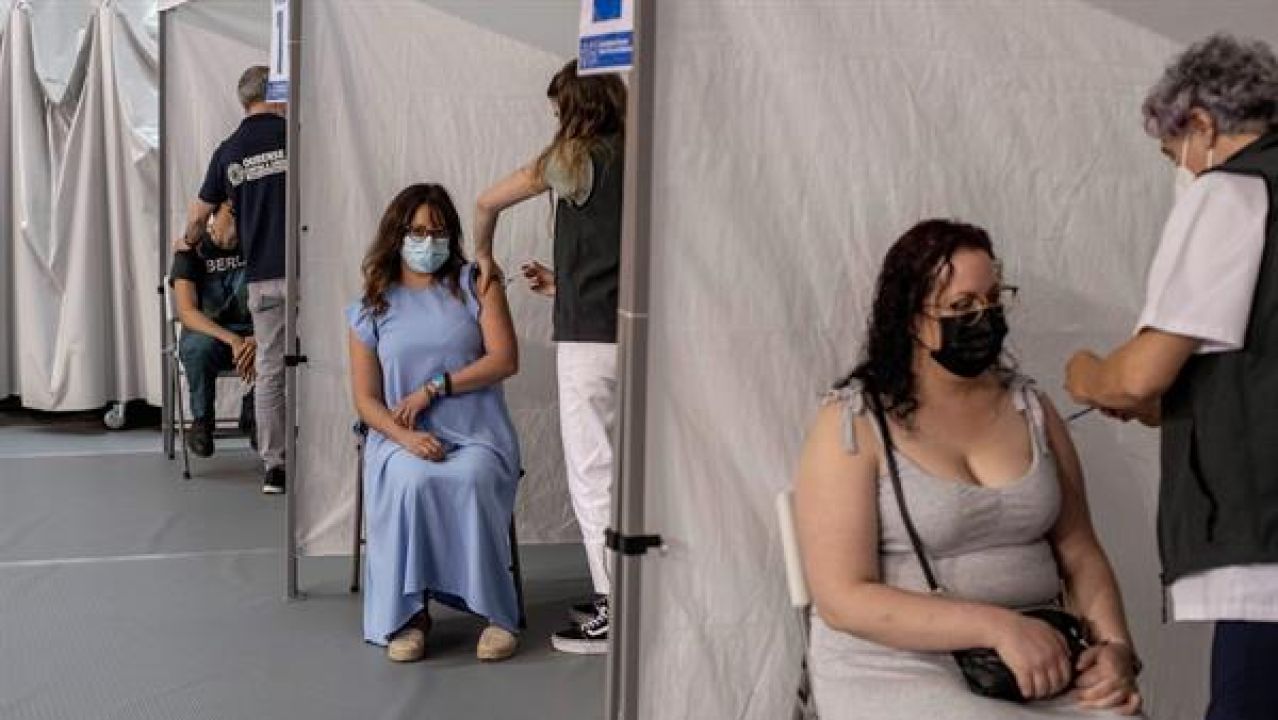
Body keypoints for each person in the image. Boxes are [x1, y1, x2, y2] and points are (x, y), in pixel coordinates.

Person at [796, 220, 1144, 719]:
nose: (983, 318)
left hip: (1036, 659)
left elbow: (1081, 553)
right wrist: (997, 627)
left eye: (993, 300)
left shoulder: (1030, 408)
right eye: (961, 306)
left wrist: (1115, 650)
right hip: (897, 664)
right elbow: (841, 598)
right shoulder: (853, 422)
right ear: (910, 318)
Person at [1065, 34, 1278, 720]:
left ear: (1202, 125)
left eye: (1172, 151)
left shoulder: (1233, 192)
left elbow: (1139, 376)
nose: (1179, 170)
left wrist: (1086, 373)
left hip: (1266, 551)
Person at [473, 58, 626, 654]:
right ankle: (634, 591)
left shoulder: (572, 157)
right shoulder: (645, 155)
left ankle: (614, 605)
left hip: (590, 341)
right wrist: (568, 283)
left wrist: (484, 255)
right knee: (638, 468)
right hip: (643, 336)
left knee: (594, 473)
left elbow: (487, 201)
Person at [346, 183, 522, 664]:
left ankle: (497, 613)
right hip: (398, 439)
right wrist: (405, 437)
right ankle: (411, 615)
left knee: (473, 478)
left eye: (439, 232)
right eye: (419, 232)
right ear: (397, 234)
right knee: (412, 480)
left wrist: (435, 387)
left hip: (477, 432)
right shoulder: (371, 307)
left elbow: (505, 359)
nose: (429, 242)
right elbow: (366, 400)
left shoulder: (477, 283)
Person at [179, 65, 288, 494]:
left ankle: (274, 468)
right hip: (311, 268)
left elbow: (197, 215)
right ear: (276, 93)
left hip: (263, 274)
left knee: (272, 372)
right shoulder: (298, 136)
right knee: (321, 364)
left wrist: (188, 240)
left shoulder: (229, 150)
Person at [170, 201, 256, 457]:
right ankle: (202, 421)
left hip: (253, 331)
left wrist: (257, 338)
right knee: (198, 348)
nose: (238, 222)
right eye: (232, 213)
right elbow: (187, 312)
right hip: (210, 333)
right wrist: (233, 339)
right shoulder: (191, 250)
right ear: (213, 214)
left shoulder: (259, 245)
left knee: (280, 344)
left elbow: (279, 299)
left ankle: (256, 410)